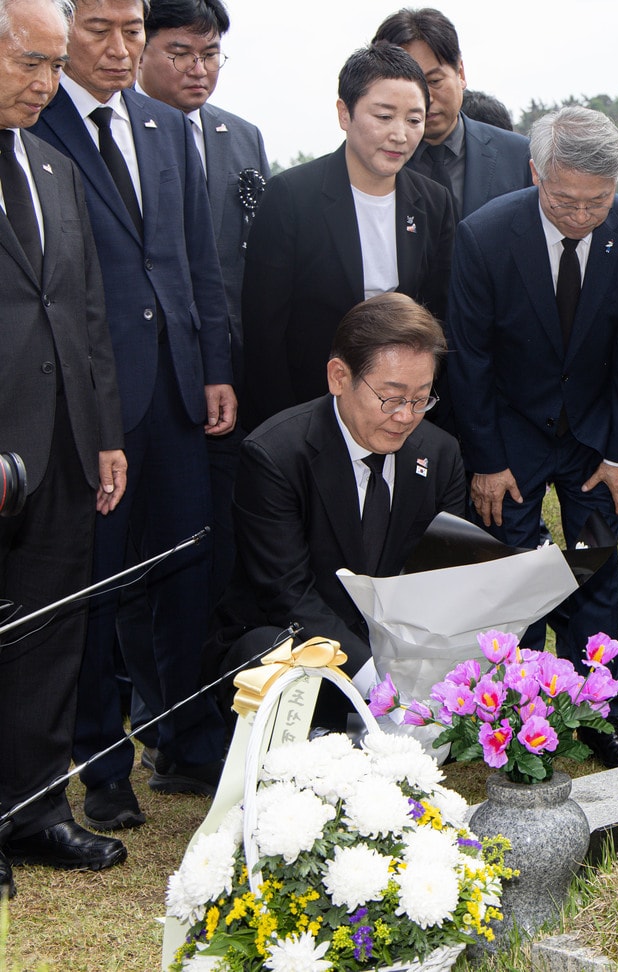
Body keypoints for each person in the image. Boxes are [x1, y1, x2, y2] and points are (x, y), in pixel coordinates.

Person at [33, 0, 234, 829]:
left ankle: (185, 743)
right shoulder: (33, 123)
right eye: (100, 31)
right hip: (87, 404)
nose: (120, 49)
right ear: (65, 29)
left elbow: (196, 259)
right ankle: (101, 765)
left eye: (132, 31)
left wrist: (214, 366)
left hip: (179, 394)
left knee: (186, 576)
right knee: (96, 590)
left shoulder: (164, 126)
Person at [447, 107, 618, 767]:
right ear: (536, 172)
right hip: (511, 437)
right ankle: (515, 721)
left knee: (596, 570)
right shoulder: (485, 235)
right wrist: (487, 460)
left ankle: (601, 719)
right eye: (565, 200)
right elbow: (470, 359)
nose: (582, 215)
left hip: (595, 439)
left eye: (599, 201)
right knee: (516, 578)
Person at [0, 0, 129, 891]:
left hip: (63, 445)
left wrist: (106, 433)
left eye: (54, 65)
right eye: (30, 63)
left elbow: (85, 313)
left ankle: (36, 810)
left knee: (49, 635)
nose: (48, 83)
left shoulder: (53, 166)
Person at [133, 0, 267, 757]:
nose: (199, 68)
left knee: (221, 548)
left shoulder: (240, 136)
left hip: (233, 376)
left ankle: (214, 704)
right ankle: (162, 719)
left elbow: (252, 254)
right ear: (143, 49)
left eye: (211, 53)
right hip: (155, 381)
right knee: (156, 555)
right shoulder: (120, 136)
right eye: (181, 51)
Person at [212, 293, 466, 692]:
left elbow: (443, 575)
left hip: (400, 650)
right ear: (339, 377)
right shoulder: (276, 457)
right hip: (299, 645)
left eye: (421, 399)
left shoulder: (440, 453)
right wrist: (378, 687)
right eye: (391, 398)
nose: (405, 417)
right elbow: (289, 595)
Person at [241, 44, 453, 430]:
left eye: (414, 119)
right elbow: (264, 329)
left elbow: (438, 313)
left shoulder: (434, 202)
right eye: (384, 116)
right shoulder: (292, 196)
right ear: (345, 113)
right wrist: (282, 425)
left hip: (401, 411)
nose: (400, 135)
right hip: (309, 406)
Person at [371, 7, 530, 224]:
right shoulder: (373, 165)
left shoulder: (519, 156)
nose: (426, 99)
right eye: (411, 86)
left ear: (460, 73)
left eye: (435, 81)